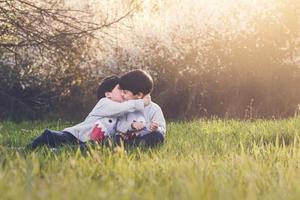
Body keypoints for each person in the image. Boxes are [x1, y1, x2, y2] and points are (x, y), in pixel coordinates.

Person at [27, 76, 150, 149]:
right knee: (51, 136)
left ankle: (55, 151)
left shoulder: (124, 109)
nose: (123, 92)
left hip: (90, 141)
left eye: (125, 90)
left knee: (77, 149)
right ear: (108, 94)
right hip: (76, 135)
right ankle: (27, 148)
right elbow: (120, 108)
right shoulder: (105, 102)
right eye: (119, 89)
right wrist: (141, 102)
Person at [115, 69, 166, 148]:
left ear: (139, 95)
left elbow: (162, 129)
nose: (122, 95)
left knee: (158, 137)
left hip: (144, 138)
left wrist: (155, 128)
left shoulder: (154, 108)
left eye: (125, 92)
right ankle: (127, 146)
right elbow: (119, 126)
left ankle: (134, 146)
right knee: (116, 137)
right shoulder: (126, 106)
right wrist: (132, 125)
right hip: (126, 137)